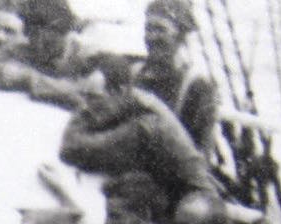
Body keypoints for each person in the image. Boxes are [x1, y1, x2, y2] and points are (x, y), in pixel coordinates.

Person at [58, 54, 217, 210]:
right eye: (85, 97)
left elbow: (71, 147)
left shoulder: (146, 124)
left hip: (189, 213)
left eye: (94, 98)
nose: (86, 107)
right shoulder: (127, 101)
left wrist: (80, 119)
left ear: (120, 91)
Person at [134, 0, 218, 149]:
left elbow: (200, 155)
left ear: (180, 35)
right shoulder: (135, 75)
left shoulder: (196, 86)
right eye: (148, 29)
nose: (152, 37)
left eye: (160, 29)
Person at [0, 0, 85, 109]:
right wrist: (29, 78)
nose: (39, 44)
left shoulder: (84, 56)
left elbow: (88, 97)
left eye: (49, 42)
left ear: (66, 33)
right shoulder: (21, 49)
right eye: (33, 36)